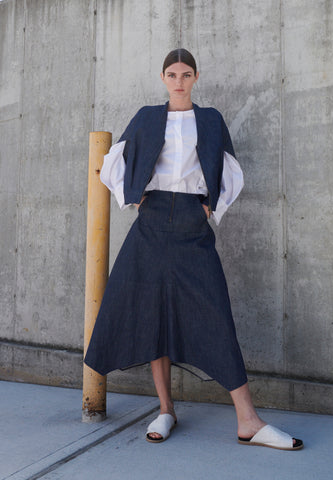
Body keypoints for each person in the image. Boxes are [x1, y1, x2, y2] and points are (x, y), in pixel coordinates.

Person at [84, 48, 303, 450]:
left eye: (186, 74)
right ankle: (166, 409)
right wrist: (134, 198)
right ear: (163, 77)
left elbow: (229, 170)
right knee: (153, 314)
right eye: (172, 74)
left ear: (196, 77)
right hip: (150, 225)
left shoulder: (211, 119)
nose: (179, 81)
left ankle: (248, 420)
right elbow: (113, 161)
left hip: (191, 221)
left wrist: (208, 207)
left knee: (215, 313)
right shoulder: (148, 116)